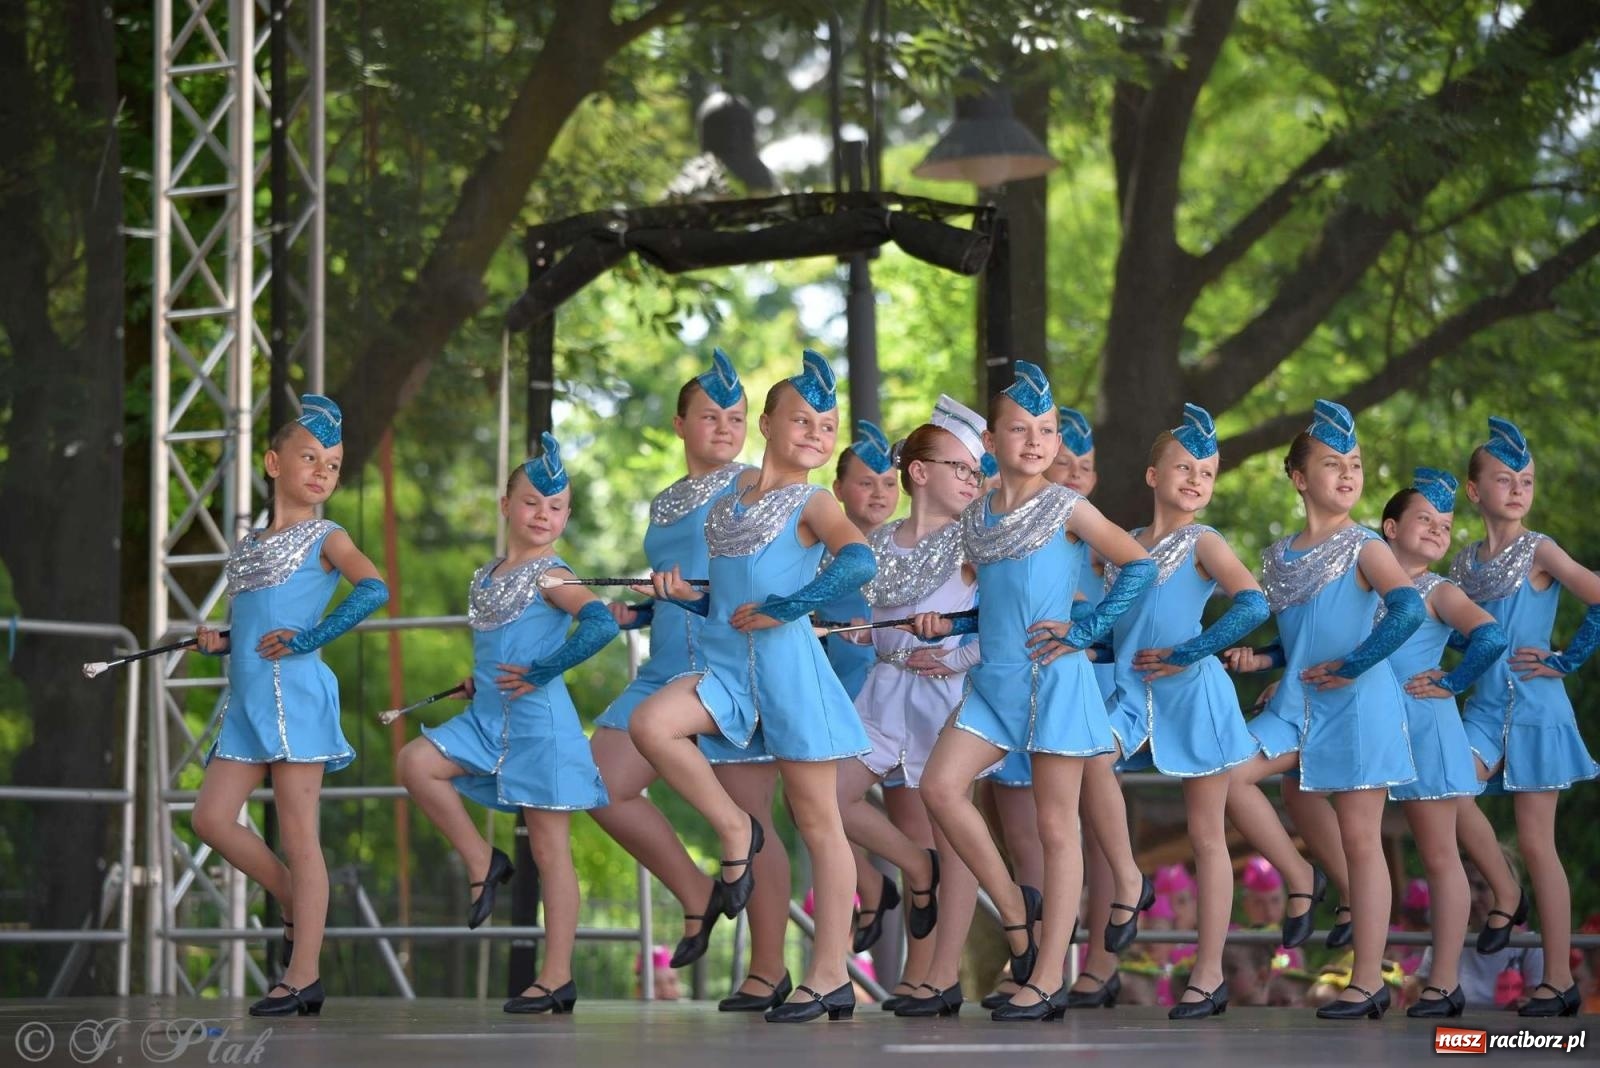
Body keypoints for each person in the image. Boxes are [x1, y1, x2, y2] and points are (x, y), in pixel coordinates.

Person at [630, 350, 877, 1024]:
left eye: (828, 426)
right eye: (803, 420)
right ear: (767, 423)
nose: (818, 435)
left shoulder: (814, 499)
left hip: (790, 673)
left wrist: (795, 604)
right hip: (727, 670)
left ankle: (829, 974)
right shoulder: (728, 505)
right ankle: (734, 829)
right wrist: (678, 596)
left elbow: (857, 556)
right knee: (652, 725)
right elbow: (725, 597)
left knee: (817, 821)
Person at [915, 362, 1157, 1022]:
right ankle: (1016, 908)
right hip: (992, 684)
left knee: (1056, 829)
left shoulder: (1067, 507)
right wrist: (949, 623)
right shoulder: (978, 518)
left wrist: (1088, 627)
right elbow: (993, 606)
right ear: (990, 442)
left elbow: (1141, 567)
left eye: (1046, 430)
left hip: (1056, 681)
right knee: (939, 789)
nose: (1035, 441)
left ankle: (1049, 977)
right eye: (1020, 430)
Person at [585, 352, 793, 1012]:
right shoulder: (666, 500)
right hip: (664, 665)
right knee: (600, 781)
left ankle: (767, 970)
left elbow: (768, 576)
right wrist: (643, 607)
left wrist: (696, 592)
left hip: (733, 665)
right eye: (711, 416)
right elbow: (680, 577)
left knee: (756, 819)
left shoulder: (760, 486)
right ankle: (697, 893)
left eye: (736, 417)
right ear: (680, 424)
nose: (726, 427)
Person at [396, 433, 618, 1015]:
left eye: (556, 507)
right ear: (505, 504)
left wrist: (545, 668)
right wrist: (480, 675)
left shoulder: (552, 574)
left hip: (538, 725)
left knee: (550, 850)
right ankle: (482, 860)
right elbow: (502, 642)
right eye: (531, 503)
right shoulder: (487, 575)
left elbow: (599, 626)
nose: (543, 516)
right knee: (416, 762)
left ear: (567, 513)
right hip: (486, 716)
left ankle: (557, 976)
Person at [1223, 400, 1425, 1020]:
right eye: (1333, 464)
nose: (1348, 475)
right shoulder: (1280, 555)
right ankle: (1301, 877)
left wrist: (1353, 665)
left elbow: (1409, 611)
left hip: (1358, 705)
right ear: (1298, 477)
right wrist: (1263, 661)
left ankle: (1367, 981)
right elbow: (1304, 634)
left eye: (1356, 465)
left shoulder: (1366, 545)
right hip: (1295, 702)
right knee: (1225, 774)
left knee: (1363, 840)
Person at [192, 395, 390, 1018]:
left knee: (301, 835)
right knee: (211, 818)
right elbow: (256, 623)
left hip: (295, 696)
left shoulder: (329, 535)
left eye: (332, 465)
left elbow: (375, 588)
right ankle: (289, 899)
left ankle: (303, 976)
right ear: (274, 462)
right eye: (310, 458)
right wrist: (221, 641)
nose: (323, 472)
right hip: (248, 698)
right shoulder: (250, 544)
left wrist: (312, 639)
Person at [1102, 406, 1273, 1019]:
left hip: (1195, 695)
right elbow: (1108, 628)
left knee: (1206, 836)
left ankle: (1207, 976)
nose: (1197, 479)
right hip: (1129, 693)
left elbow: (1252, 604)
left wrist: (1190, 651)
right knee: (1089, 764)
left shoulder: (1206, 542)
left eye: (1208, 472)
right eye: (1184, 467)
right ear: (1153, 476)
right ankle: (1128, 880)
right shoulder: (1124, 546)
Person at [835, 397, 989, 1018]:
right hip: (883, 690)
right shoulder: (876, 543)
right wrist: (863, 634)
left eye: (978, 473)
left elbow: (1007, 622)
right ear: (920, 471)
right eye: (961, 468)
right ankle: (911, 865)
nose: (973, 482)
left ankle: (942, 975)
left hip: (948, 700)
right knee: (824, 796)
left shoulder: (979, 542)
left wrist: (955, 654)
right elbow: (879, 620)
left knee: (956, 835)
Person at [1449, 417, 1600, 1017]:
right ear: (1474, 490)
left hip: (1538, 710)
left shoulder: (1540, 549)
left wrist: (1568, 658)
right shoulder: (1462, 564)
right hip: (1482, 709)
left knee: (1540, 845)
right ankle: (1504, 891)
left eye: (1527, 481)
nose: (1517, 490)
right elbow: (1467, 637)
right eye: (1504, 479)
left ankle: (1558, 979)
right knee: (1445, 787)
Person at [1376, 470, 1509, 1017]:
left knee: (1438, 856)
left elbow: (1491, 635)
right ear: (1390, 527)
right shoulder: (1370, 584)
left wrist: (1452, 682)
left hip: (1426, 730)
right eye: (1424, 520)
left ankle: (1444, 983)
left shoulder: (1438, 590)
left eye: (1446, 525)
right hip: (1374, 729)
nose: (1437, 530)